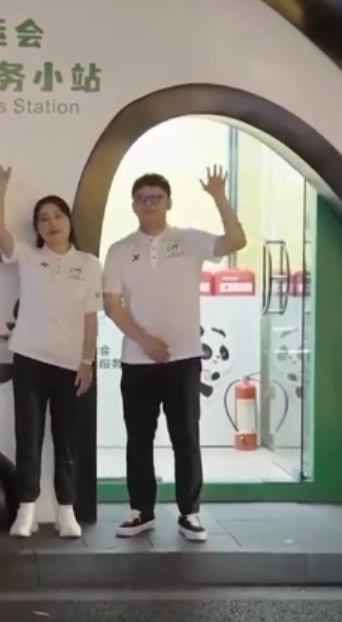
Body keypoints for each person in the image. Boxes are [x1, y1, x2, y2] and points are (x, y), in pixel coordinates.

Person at [101, 167, 247, 541]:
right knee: (139, 438)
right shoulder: (120, 250)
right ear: (133, 205)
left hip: (184, 358)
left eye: (156, 197)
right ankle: (141, 511)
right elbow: (113, 305)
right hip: (137, 360)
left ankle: (190, 513)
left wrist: (219, 196)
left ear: (168, 202)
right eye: (142, 198)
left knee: (186, 437)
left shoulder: (189, 240)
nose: (149, 203)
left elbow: (236, 240)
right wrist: (145, 341)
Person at [0, 157, 100, 539]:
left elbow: (90, 317)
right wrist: (1, 185)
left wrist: (87, 361)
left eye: (58, 216)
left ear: (69, 221)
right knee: (29, 439)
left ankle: (66, 510)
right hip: (30, 360)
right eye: (43, 219)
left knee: (66, 441)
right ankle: (27, 510)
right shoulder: (29, 257)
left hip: (70, 365)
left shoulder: (88, 264)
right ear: (37, 229)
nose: (52, 223)